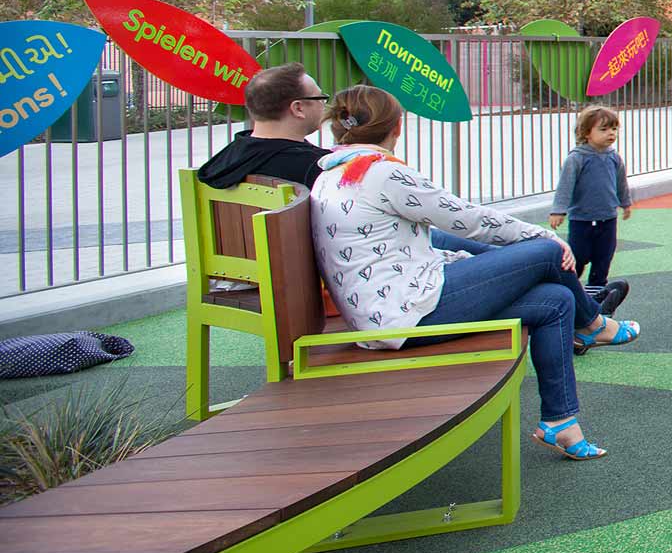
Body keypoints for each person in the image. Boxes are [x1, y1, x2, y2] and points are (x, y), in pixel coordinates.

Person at [309, 86, 638, 461]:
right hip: (405, 315)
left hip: (387, 311)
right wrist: (543, 236)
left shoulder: (334, 173)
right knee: (547, 253)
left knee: (556, 301)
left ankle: (560, 423)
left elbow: (431, 235)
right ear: (397, 127)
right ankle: (595, 324)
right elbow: (467, 219)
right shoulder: (381, 174)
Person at [199, 63, 329, 190]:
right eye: (320, 98)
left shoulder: (222, 164)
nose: (324, 104)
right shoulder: (319, 167)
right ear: (298, 108)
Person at [548, 105, 633, 294]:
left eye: (614, 129)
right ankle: (568, 290)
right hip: (582, 220)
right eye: (603, 129)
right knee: (578, 256)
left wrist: (625, 203)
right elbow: (565, 185)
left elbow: (621, 183)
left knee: (604, 256)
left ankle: (597, 293)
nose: (611, 133)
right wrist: (558, 210)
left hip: (608, 218)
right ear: (587, 132)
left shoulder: (614, 157)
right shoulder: (577, 158)